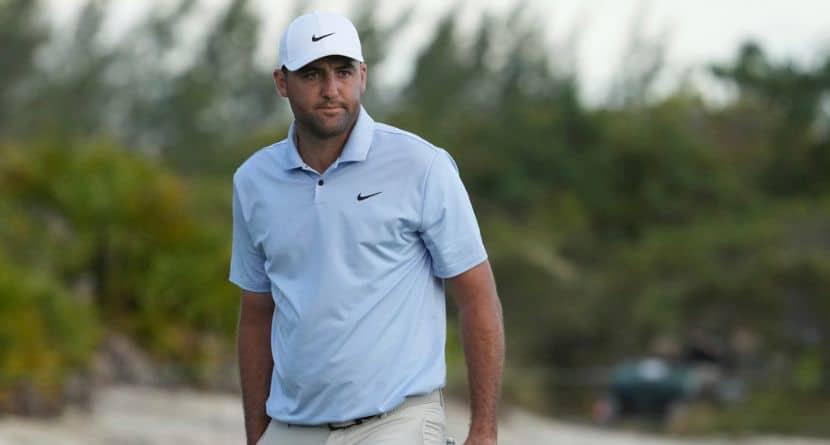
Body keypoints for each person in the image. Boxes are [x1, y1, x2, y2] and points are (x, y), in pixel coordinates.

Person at [230, 10, 504, 445]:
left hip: (397, 423)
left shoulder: (421, 166)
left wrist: (484, 432)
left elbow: (477, 296)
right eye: (312, 74)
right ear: (282, 82)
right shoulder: (253, 181)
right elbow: (256, 313)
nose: (330, 89)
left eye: (342, 72)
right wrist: (257, 435)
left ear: (363, 76)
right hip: (292, 426)